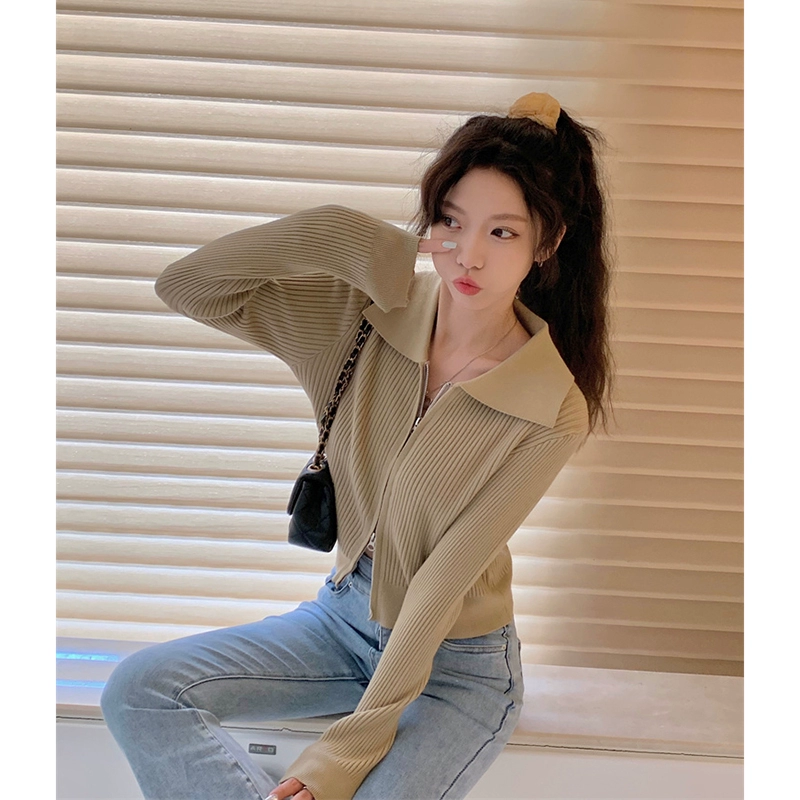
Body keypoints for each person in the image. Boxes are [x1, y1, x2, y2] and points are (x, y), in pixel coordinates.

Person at [100, 91, 613, 800]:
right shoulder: (362, 324)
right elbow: (188, 285)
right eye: (451, 221)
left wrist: (347, 750)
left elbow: (440, 580)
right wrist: (339, 234)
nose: (468, 255)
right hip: (341, 623)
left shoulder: (551, 406)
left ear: (546, 245)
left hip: (457, 666)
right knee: (140, 690)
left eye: (502, 232)